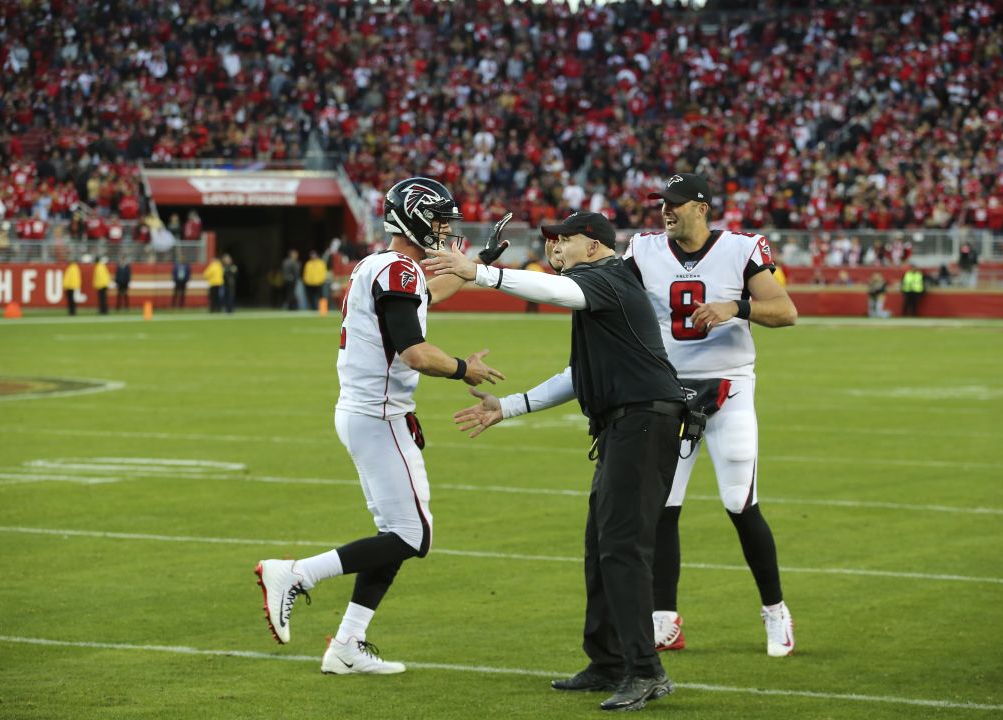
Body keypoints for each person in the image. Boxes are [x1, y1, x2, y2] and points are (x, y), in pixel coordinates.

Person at [453, 174, 799, 661]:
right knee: (662, 509)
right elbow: (595, 288)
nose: (666, 211)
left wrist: (736, 306)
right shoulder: (640, 252)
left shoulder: (741, 248)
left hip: (728, 385)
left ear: (702, 207)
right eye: (663, 203)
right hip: (664, 388)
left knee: (740, 502)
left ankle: (774, 609)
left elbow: (786, 312)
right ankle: (664, 620)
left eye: (676, 204)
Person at [426, 211, 684, 712]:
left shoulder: (606, 277)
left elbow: (563, 293)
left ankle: (646, 670)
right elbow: (579, 373)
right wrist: (511, 406)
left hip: (643, 422)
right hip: (626, 424)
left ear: (595, 245)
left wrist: (478, 272)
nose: (555, 248)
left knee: (621, 547)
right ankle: (608, 660)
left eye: (565, 239)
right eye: (552, 240)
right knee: (601, 545)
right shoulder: (601, 284)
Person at [254, 176, 508, 677]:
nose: (442, 229)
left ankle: (347, 645)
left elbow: (429, 293)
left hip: (365, 412)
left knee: (397, 532)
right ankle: (296, 573)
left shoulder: (381, 265)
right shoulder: (397, 272)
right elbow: (414, 351)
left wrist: (480, 264)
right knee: (414, 536)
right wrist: (464, 368)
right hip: (380, 416)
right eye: (437, 220)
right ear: (412, 217)